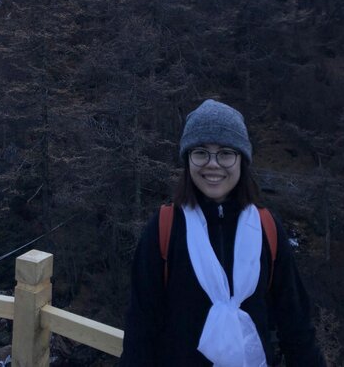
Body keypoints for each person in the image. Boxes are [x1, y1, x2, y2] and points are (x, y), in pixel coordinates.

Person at [119, 99, 326, 367]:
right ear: (188, 160)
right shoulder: (165, 228)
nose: (213, 164)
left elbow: (295, 325)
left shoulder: (266, 228)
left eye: (226, 153)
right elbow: (140, 327)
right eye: (201, 152)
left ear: (242, 160)